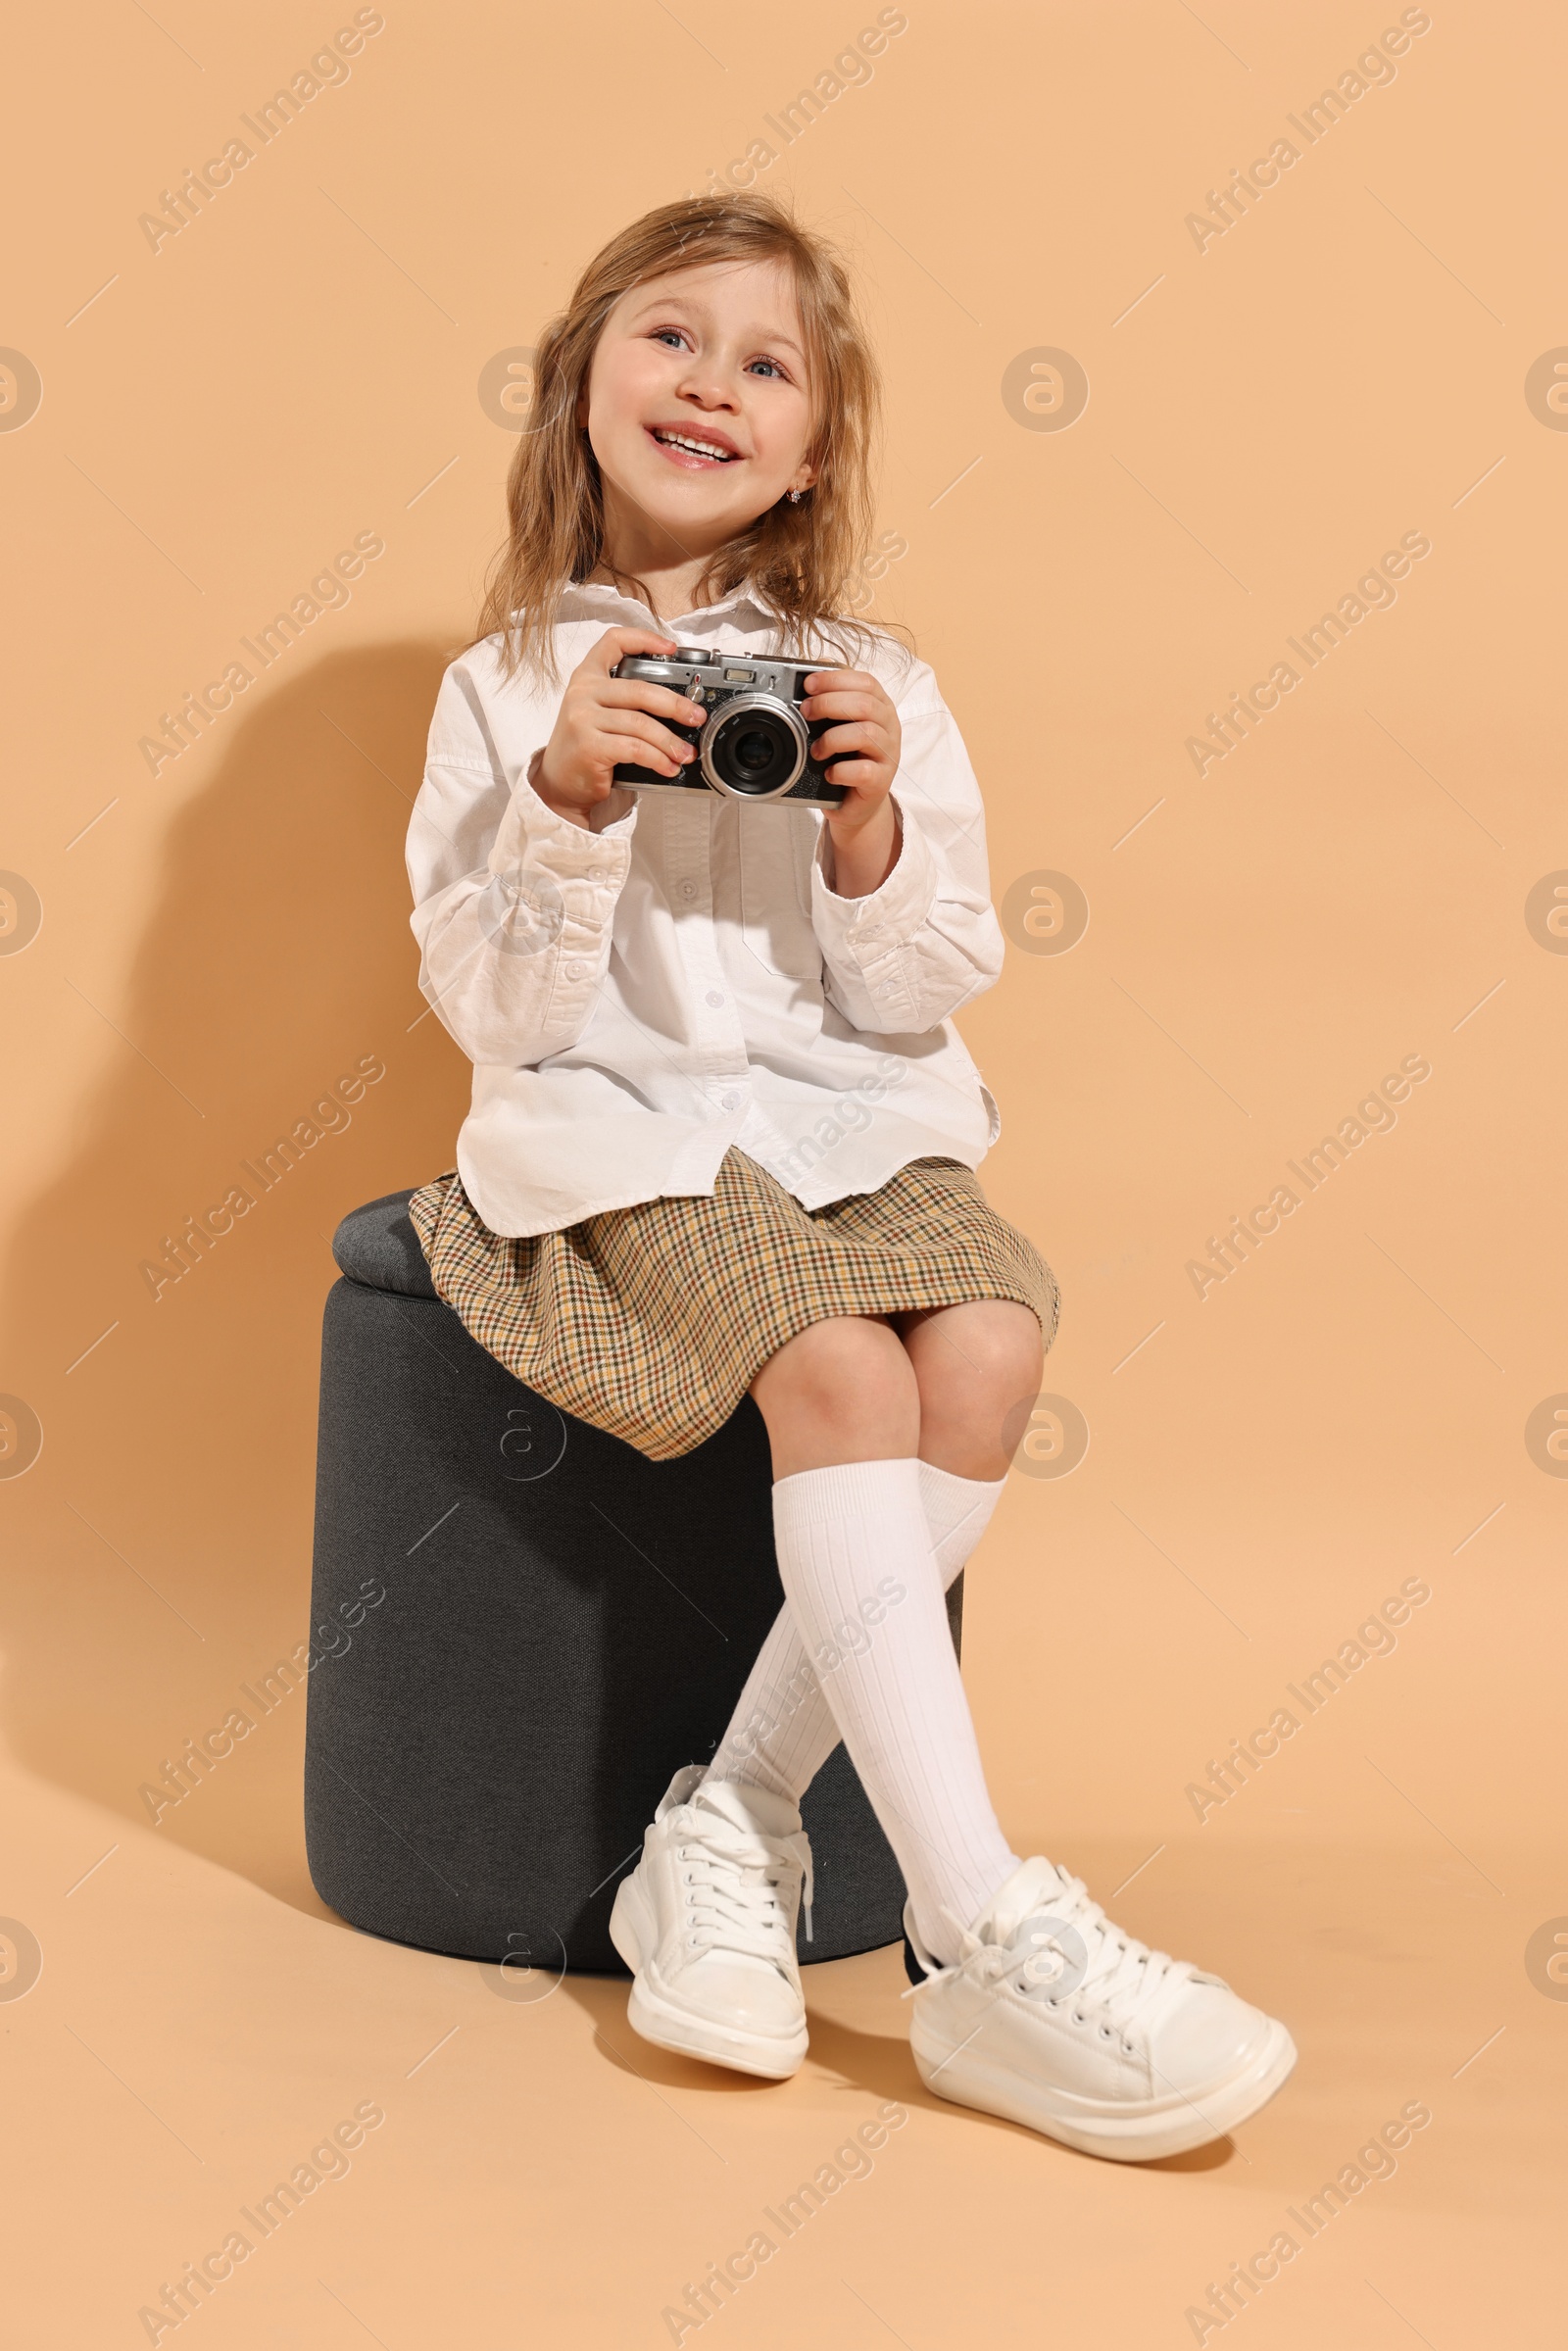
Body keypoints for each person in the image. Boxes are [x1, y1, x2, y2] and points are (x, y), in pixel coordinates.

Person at [403, 190, 1295, 2161]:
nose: (713, 382)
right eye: (670, 338)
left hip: (846, 1113)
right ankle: (978, 1931)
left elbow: (924, 984)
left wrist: (870, 823)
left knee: (982, 1329)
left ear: (811, 451)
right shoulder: (498, 690)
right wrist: (563, 800)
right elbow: (493, 1008)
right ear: (577, 385)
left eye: (767, 364)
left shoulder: (863, 670)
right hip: (617, 1124)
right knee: (834, 1365)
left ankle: (722, 1821)